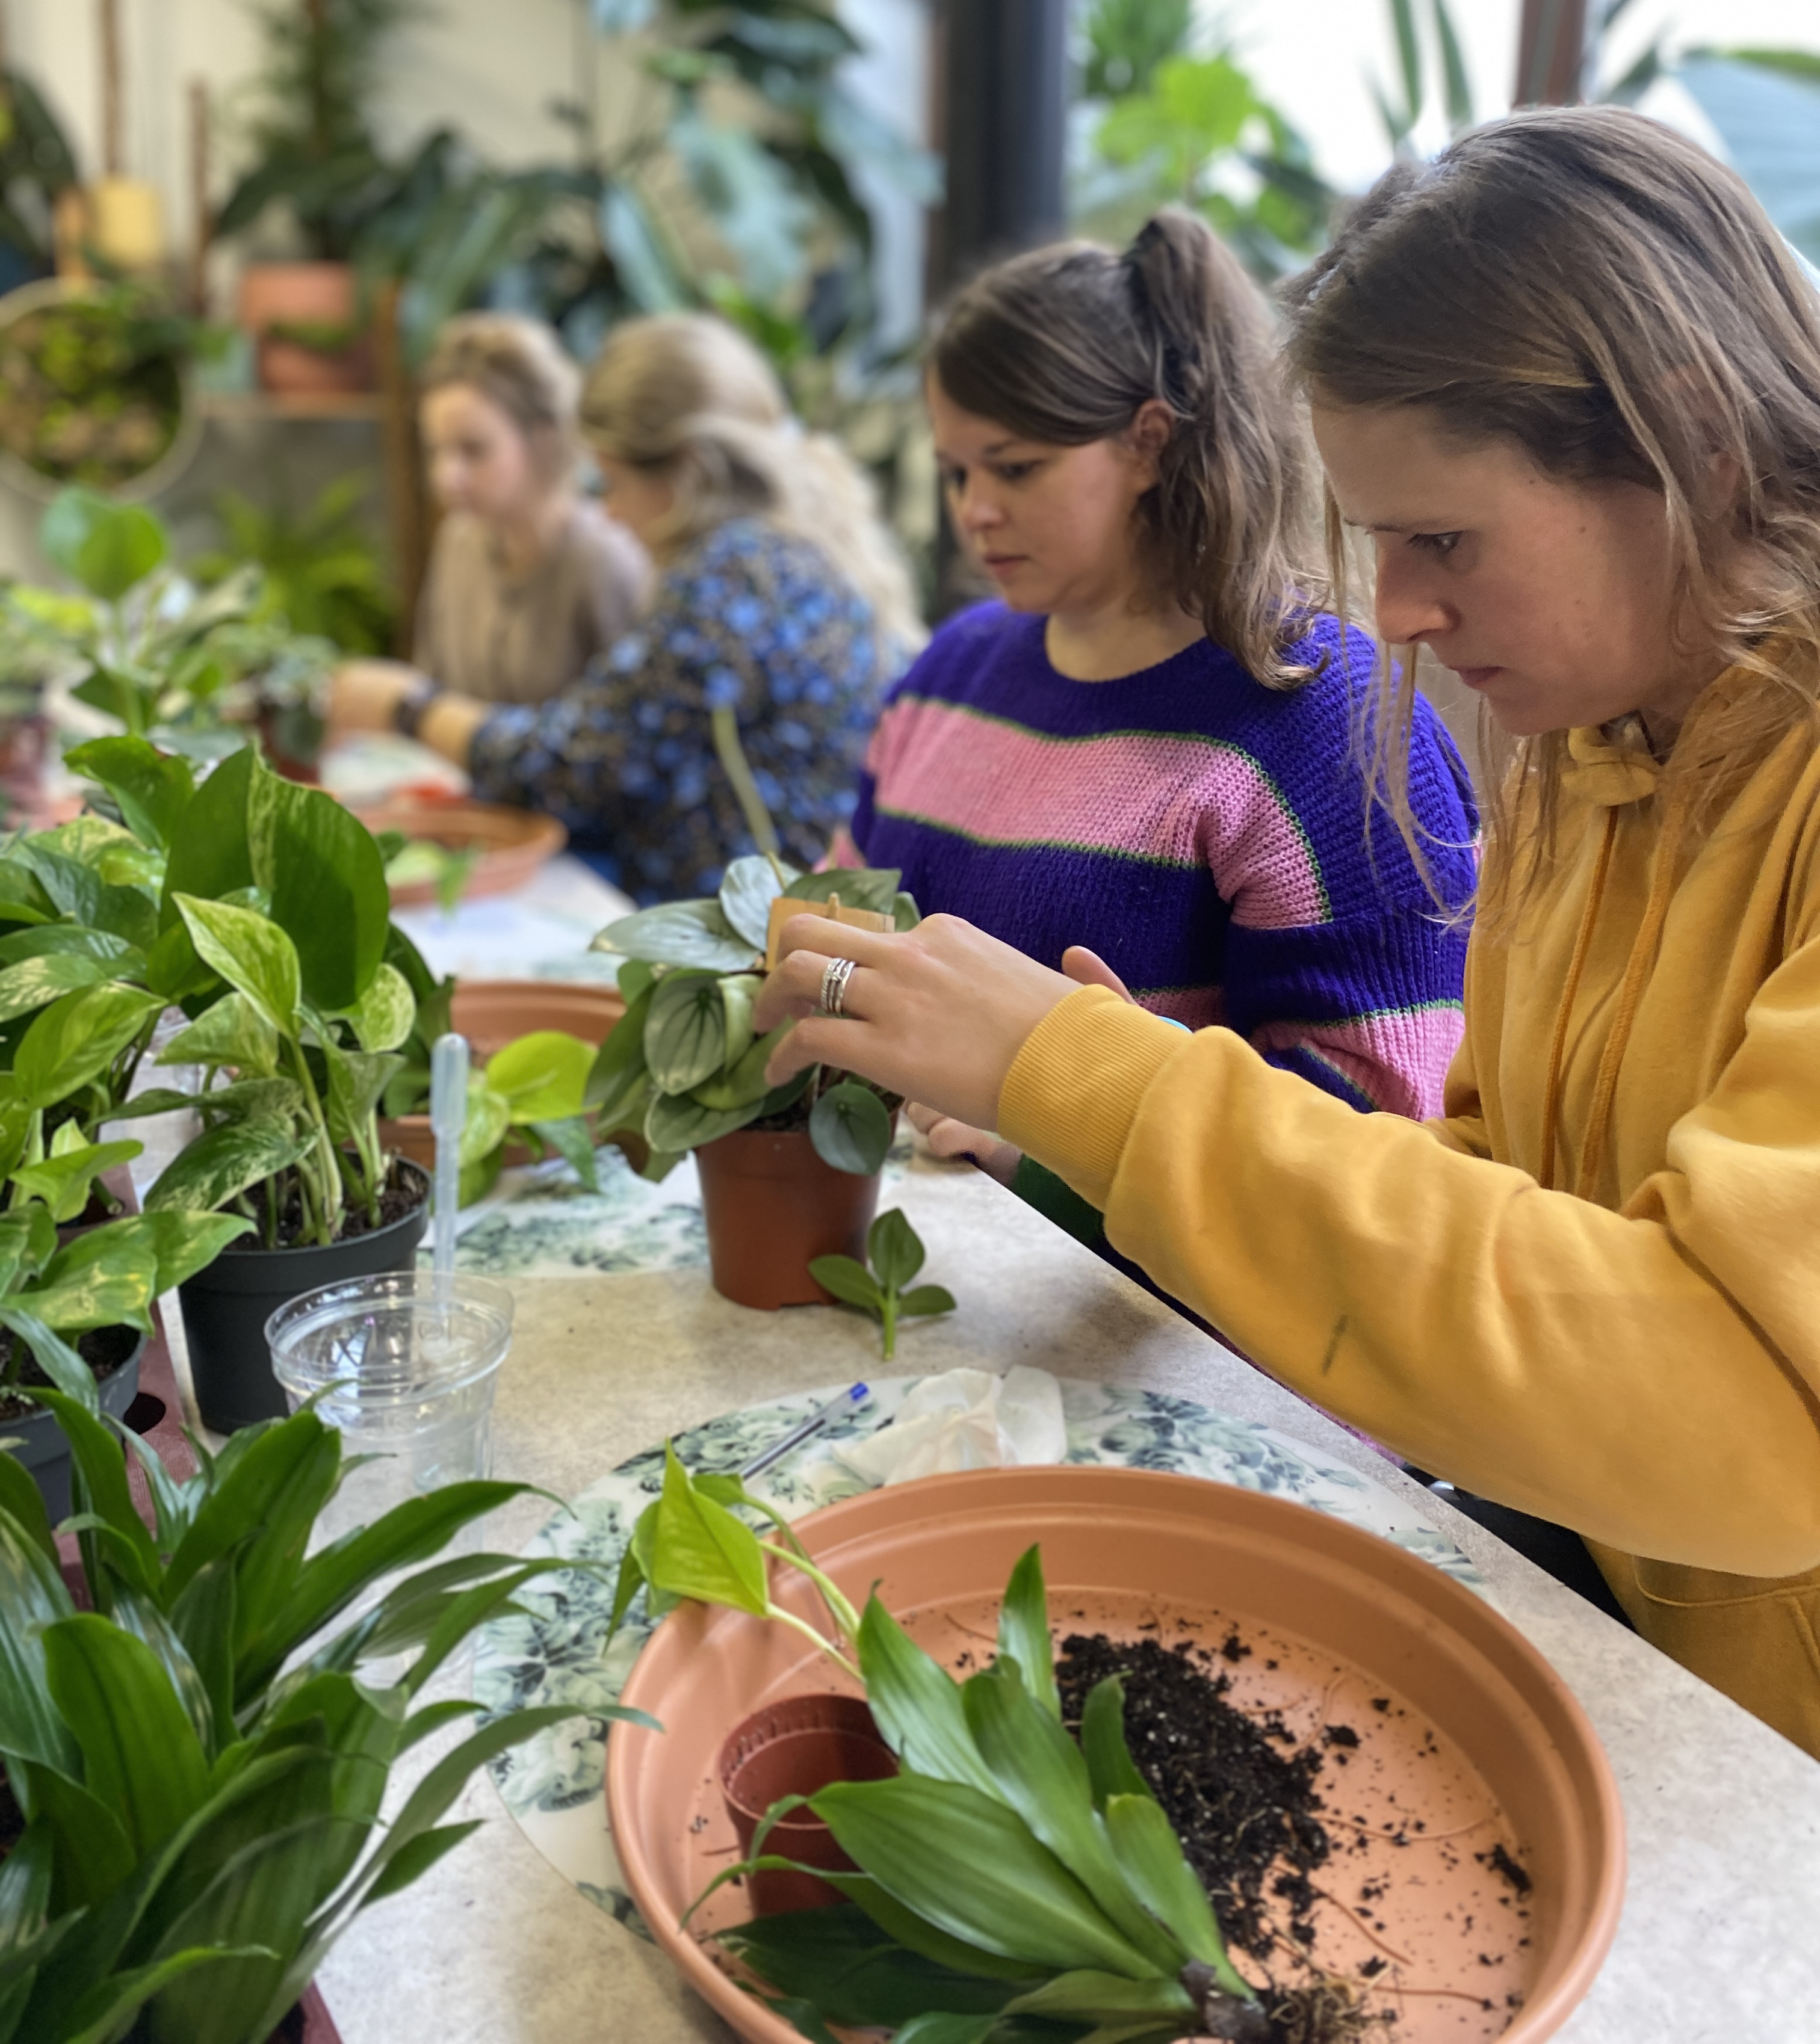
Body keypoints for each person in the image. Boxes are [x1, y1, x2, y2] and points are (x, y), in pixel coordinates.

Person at [755, 107, 1820, 1758]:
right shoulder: (1590, 746)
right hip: (1633, 1653)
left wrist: (1109, 1086)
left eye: (1442, 540)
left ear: (1689, 440)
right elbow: (1493, 1185)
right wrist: (1121, 1115)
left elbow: (1755, 1429)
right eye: (1378, 540)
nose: (1396, 608)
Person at [837, 214, 1477, 1176]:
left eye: (1016, 467)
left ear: (1147, 443)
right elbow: (845, 918)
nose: (973, 509)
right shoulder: (951, 671)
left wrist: (1068, 1143)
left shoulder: (1328, 724)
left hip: (1146, 1314)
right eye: (956, 470)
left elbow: (1381, 1124)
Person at [328, 312, 921, 904]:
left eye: (612, 483)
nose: (609, 513)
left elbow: (570, 764)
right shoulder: (781, 553)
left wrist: (406, 705)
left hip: (752, 935)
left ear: (689, 470)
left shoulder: (732, 580)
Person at [415, 313, 650, 703]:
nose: (446, 477)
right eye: (435, 450)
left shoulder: (604, 561)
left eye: (473, 450)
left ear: (543, 438)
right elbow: (430, 690)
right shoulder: (456, 541)